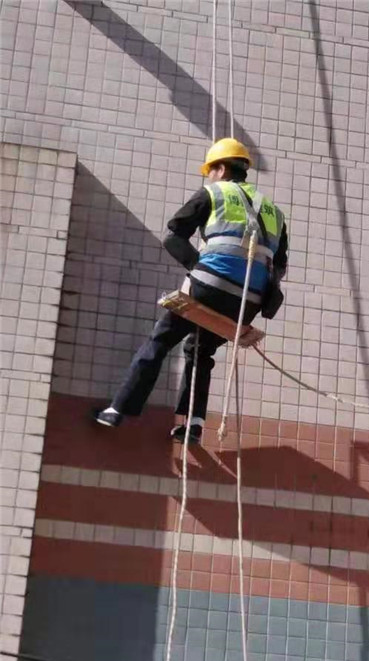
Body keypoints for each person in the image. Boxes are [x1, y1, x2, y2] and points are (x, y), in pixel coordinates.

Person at [93, 138, 289, 443]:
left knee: (160, 341)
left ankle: (118, 409)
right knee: (201, 351)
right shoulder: (274, 212)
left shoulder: (214, 193)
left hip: (209, 286)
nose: (208, 176)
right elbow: (279, 265)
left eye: (210, 170)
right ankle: (193, 427)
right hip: (247, 302)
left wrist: (199, 269)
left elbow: (174, 236)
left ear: (221, 169)